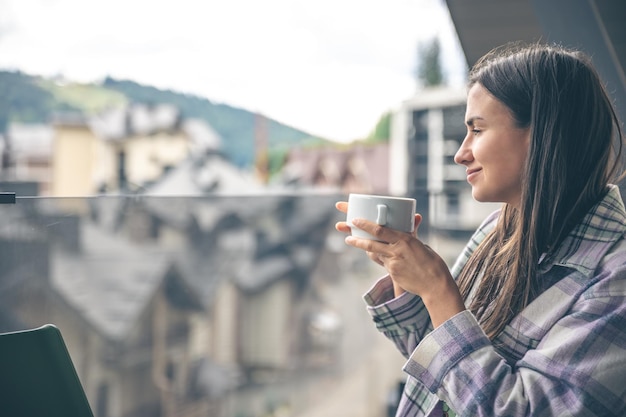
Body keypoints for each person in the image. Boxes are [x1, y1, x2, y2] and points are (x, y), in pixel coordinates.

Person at [335, 42, 626, 417]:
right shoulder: (499, 231)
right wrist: (406, 275)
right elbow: (438, 362)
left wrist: (439, 289)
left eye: (477, 130)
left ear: (542, 135)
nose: (461, 153)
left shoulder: (615, 280)